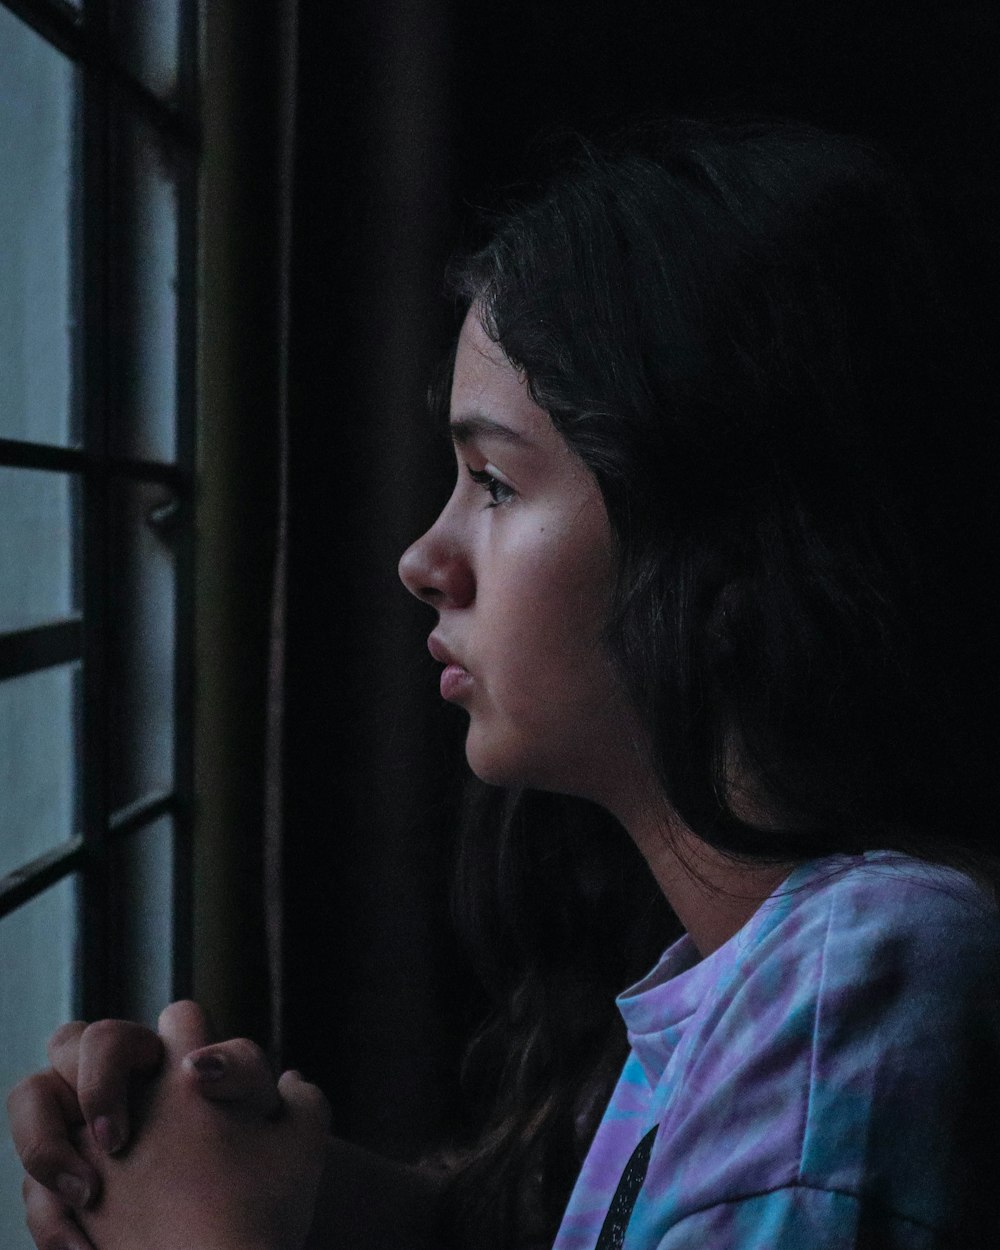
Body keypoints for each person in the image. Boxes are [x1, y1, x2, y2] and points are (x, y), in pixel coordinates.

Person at [7, 115, 1000, 1250]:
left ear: (726, 532)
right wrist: (291, 1197)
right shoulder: (775, 971)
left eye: (492, 480)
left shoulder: (852, 994)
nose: (420, 561)